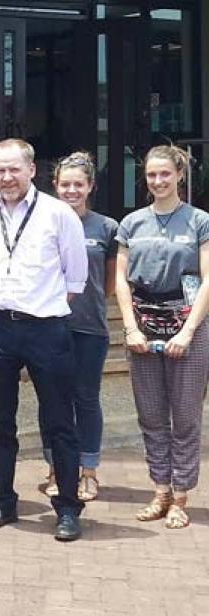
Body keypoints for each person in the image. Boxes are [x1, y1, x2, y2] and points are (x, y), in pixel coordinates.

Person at [0, 138, 88, 542]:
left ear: (32, 170)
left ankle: (69, 508)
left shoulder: (58, 214)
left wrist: (42, 307)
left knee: (59, 421)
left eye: (14, 169)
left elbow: (75, 278)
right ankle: (0, 501)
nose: (6, 177)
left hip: (46, 328)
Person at [115, 145, 209, 531]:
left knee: (185, 416)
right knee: (151, 415)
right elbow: (120, 279)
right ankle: (160, 490)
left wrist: (188, 331)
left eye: (165, 174)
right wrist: (130, 327)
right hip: (144, 324)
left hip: (188, 325)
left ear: (179, 175)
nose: (157, 181)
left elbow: (207, 279)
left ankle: (182, 496)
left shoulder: (199, 221)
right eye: (151, 175)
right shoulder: (132, 224)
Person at [41, 152, 117, 502]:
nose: (72, 190)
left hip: (89, 327)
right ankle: (57, 468)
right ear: (55, 186)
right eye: (65, 184)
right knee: (53, 400)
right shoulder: (43, 222)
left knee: (86, 399)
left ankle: (88, 471)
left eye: (79, 184)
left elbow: (111, 281)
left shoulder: (106, 228)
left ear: (90, 187)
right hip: (47, 325)